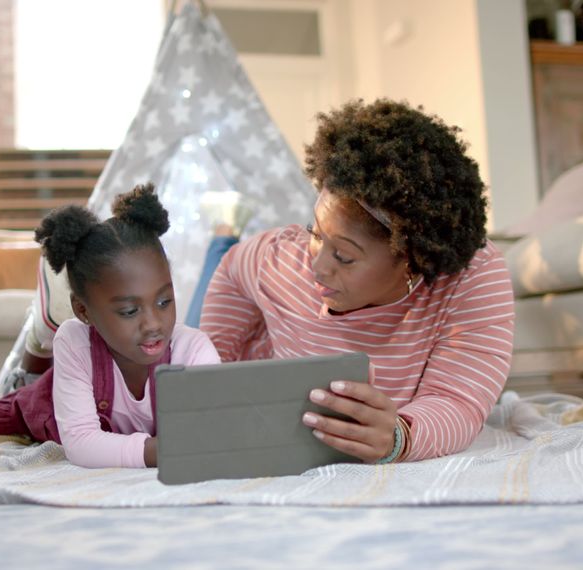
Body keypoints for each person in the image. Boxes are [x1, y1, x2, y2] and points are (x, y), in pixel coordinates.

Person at [199, 98, 515, 465]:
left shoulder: (472, 277)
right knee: (195, 310)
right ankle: (224, 228)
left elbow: (458, 402)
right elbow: (232, 269)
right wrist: (214, 368)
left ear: (411, 260)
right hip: (257, 336)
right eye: (315, 233)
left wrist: (400, 437)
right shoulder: (283, 261)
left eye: (344, 256)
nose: (317, 266)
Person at [0, 183, 221, 468]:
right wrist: (168, 451)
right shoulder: (75, 340)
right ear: (83, 310)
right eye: (130, 311)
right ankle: (36, 342)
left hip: (85, 397)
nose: (153, 323)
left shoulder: (193, 348)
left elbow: (217, 428)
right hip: (39, 411)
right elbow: (81, 445)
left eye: (164, 302)